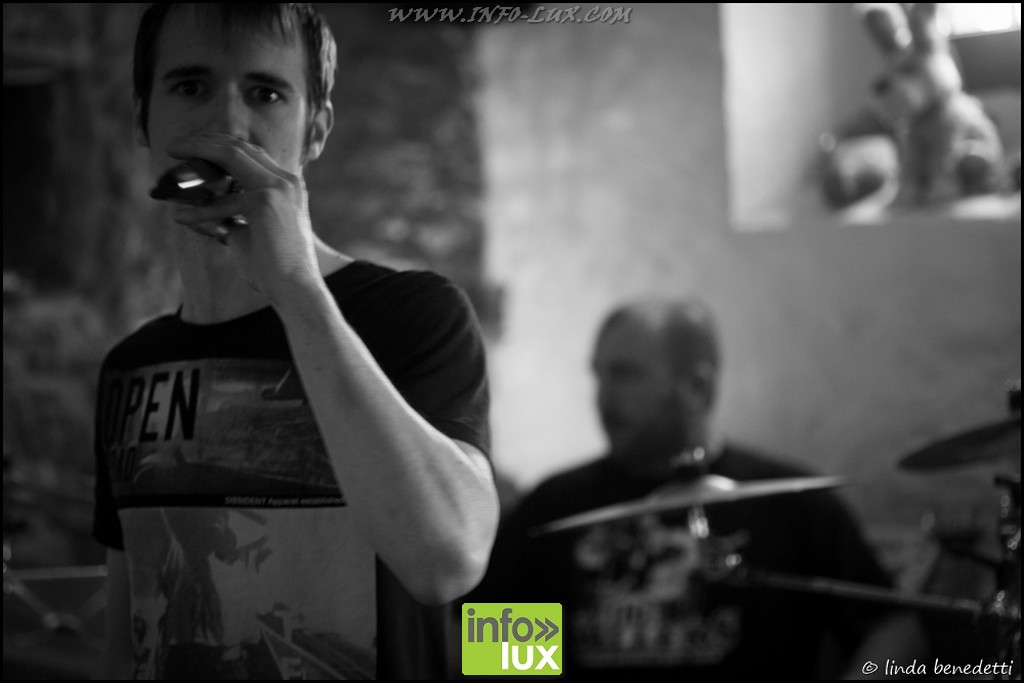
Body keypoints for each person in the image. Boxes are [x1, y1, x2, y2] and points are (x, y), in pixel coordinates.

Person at [90, 4, 499, 679]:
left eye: (265, 93)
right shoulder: (133, 368)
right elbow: (125, 641)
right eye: (191, 86)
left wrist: (299, 292)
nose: (228, 123)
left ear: (316, 130)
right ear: (142, 119)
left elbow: (447, 562)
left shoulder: (412, 315)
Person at [469, 297, 927, 679]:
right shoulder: (556, 506)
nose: (604, 397)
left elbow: (892, 629)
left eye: (625, 374)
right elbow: (496, 656)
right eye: (599, 374)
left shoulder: (789, 504)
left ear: (697, 387)